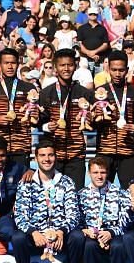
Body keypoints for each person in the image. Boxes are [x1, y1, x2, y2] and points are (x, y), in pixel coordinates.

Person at [11, 140, 85, 263]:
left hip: (59, 238)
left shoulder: (67, 182)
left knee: (78, 236)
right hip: (36, 238)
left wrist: (61, 231)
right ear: (35, 158)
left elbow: (74, 214)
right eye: (42, 155)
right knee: (17, 237)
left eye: (50, 155)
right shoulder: (26, 183)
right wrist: (33, 232)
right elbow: (20, 215)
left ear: (56, 157)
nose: (47, 159)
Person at [38, 48, 94, 188]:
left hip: (76, 155)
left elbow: (94, 122)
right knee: (52, 197)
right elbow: (39, 121)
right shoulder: (46, 93)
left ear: (75, 66)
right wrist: (46, 126)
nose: (66, 69)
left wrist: (90, 120)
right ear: (56, 67)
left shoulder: (84, 93)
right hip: (53, 155)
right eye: (62, 65)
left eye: (69, 65)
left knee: (75, 196)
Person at [77, 156, 130, 263]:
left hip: (113, 233)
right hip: (92, 235)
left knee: (119, 246)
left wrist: (111, 232)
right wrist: (85, 230)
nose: (99, 176)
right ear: (89, 174)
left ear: (108, 173)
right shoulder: (81, 195)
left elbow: (126, 220)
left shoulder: (119, 193)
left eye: (103, 172)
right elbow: (78, 220)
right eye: (95, 172)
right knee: (89, 246)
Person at [93, 50, 134, 188]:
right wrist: (95, 117)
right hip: (105, 150)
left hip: (128, 152)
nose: (117, 74)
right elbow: (92, 123)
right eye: (114, 70)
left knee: (130, 191)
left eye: (121, 70)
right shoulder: (100, 92)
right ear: (108, 69)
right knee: (101, 191)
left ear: (127, 70)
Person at [0, 48, 35, 167]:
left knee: (21, 184)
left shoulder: (28, 87)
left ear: (18, 64)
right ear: (0, 64)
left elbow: (35, 116)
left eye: (13, 63)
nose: (10, 66)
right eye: (6, 63)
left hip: (21, 145)